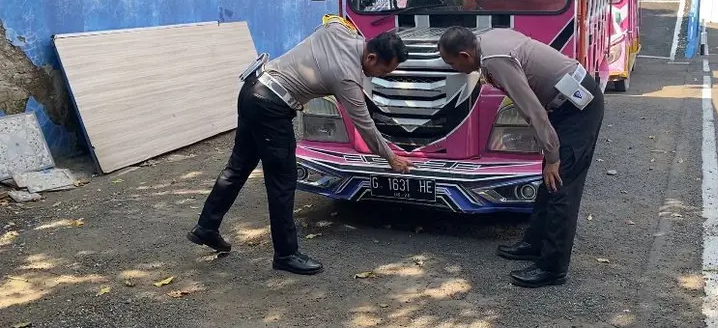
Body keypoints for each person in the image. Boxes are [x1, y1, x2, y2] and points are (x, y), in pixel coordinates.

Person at [188, 18, 413, 275]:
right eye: (384, 71)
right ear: (371, 58)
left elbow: (329, 22)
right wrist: (390, 158)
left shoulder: (338, 31)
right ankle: (286, 254)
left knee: (238, 167)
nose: (382, 76)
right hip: (272, 107)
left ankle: (206, 226)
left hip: (253, 89)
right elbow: (365, 125)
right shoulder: (347, 77)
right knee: (282, 180)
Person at [437, 26, 604, 288]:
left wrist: (552, 155)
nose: (453, 68)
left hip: (579, 107)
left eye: (452, 62)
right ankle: (533, 243)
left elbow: (533, 111)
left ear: (465, 54)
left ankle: (553, 267)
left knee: (560, 184)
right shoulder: (486, 40)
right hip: (563, 102)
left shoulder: (495, 60)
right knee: (547, 180)